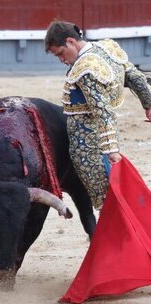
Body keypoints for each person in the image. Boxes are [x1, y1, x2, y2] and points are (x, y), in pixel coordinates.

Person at [44, 20, 151, 210]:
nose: (61, 60)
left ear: (70, 41)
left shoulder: (86, 69)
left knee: (105, 200)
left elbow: (103, 112)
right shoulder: (107, 48)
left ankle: (119, 234)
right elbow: (135, 77)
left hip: (88, 148)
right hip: (98, 139)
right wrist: (149, 104)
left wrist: (112, 150)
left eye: (60, 53)